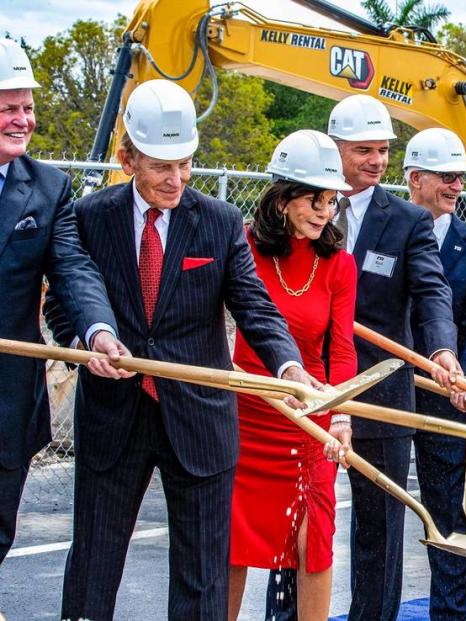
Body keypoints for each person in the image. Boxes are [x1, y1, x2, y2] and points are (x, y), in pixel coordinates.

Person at [45, 80, 315, 621]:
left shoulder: (216, 222)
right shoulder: (90, 217)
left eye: (186, 163)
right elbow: (64, 305)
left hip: (199, 417)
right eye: (161, 166)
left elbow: (255, 307)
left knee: (201, 575)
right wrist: (82, 343)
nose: (177, 179)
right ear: (127, 158)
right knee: (95, 564)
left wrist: (290, 367)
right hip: (113, 415)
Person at [266, 95, 461, 621]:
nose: (377, 161)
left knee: (378, 535)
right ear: (335, 148)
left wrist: (442, 349)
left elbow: (431, 294)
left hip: (379, 399)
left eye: (383, 150)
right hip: (304, 396)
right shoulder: (293, 215)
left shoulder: (406, 222)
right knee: (295, 527)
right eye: (364, 150)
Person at [0, 38, 129, 570]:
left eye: (27, 108)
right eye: (9, 108)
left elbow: (72, 268)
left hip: (8, 392)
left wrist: (95, 330)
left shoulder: (50, 187)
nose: (23, 120)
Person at [227, 130, 357, 621]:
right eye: (314, 200)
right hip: (246, 415)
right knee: (232, 541)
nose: (324, 212)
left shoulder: (338, 265)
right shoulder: (243, 246)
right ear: (282, 200)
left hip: (309, 416)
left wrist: (339, 415)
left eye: (330, 201)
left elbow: (341, 350)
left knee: (313, 539)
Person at [405, 128, 466, 620]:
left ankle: (449, 613)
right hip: (391, 389)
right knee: (379, 506)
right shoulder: (388, 228)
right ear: (415, 178)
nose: (457, 184)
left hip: (448, 392)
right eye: (446, 176)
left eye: (461, 176)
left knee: (446, 509)